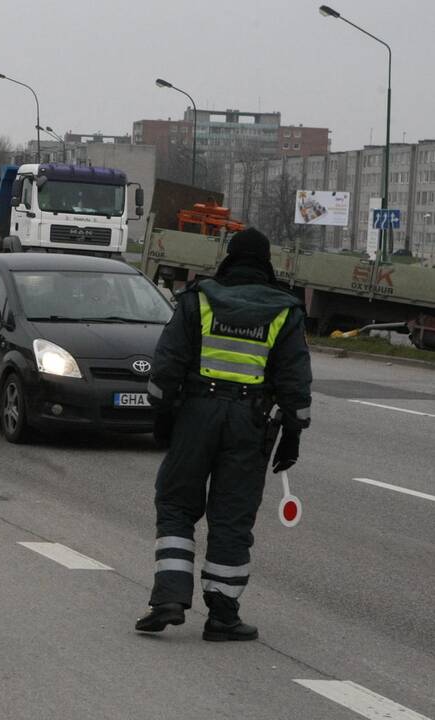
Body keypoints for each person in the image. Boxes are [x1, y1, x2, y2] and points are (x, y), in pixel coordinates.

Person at [135, 227, 312, 642]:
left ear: (229, 257)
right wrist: (293, 434)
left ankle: (169, 599)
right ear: (267, 262)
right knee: (232, 516)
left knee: (177, 503)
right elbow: (294, 380)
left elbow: (167, 362)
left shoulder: (198, 299)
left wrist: (162, 415)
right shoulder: (285, 311)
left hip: (196, 413)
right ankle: (223, 616)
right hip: (249, 423)